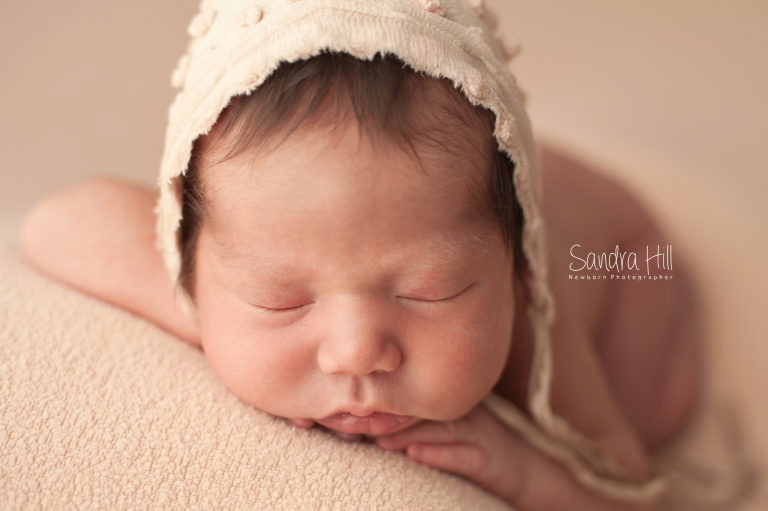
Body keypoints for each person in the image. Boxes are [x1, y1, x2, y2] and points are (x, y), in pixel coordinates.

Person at [20, 1, 702, 509]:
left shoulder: (531, 310)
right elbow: (53, 223)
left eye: (427, 292)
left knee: (656, 410)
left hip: (619, 245)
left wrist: (526, 468)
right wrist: (227, 325)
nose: (355, 351)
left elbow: (629, 487)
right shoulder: (249, 227)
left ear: (513, 270)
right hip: (431, 190)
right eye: (281, 297)